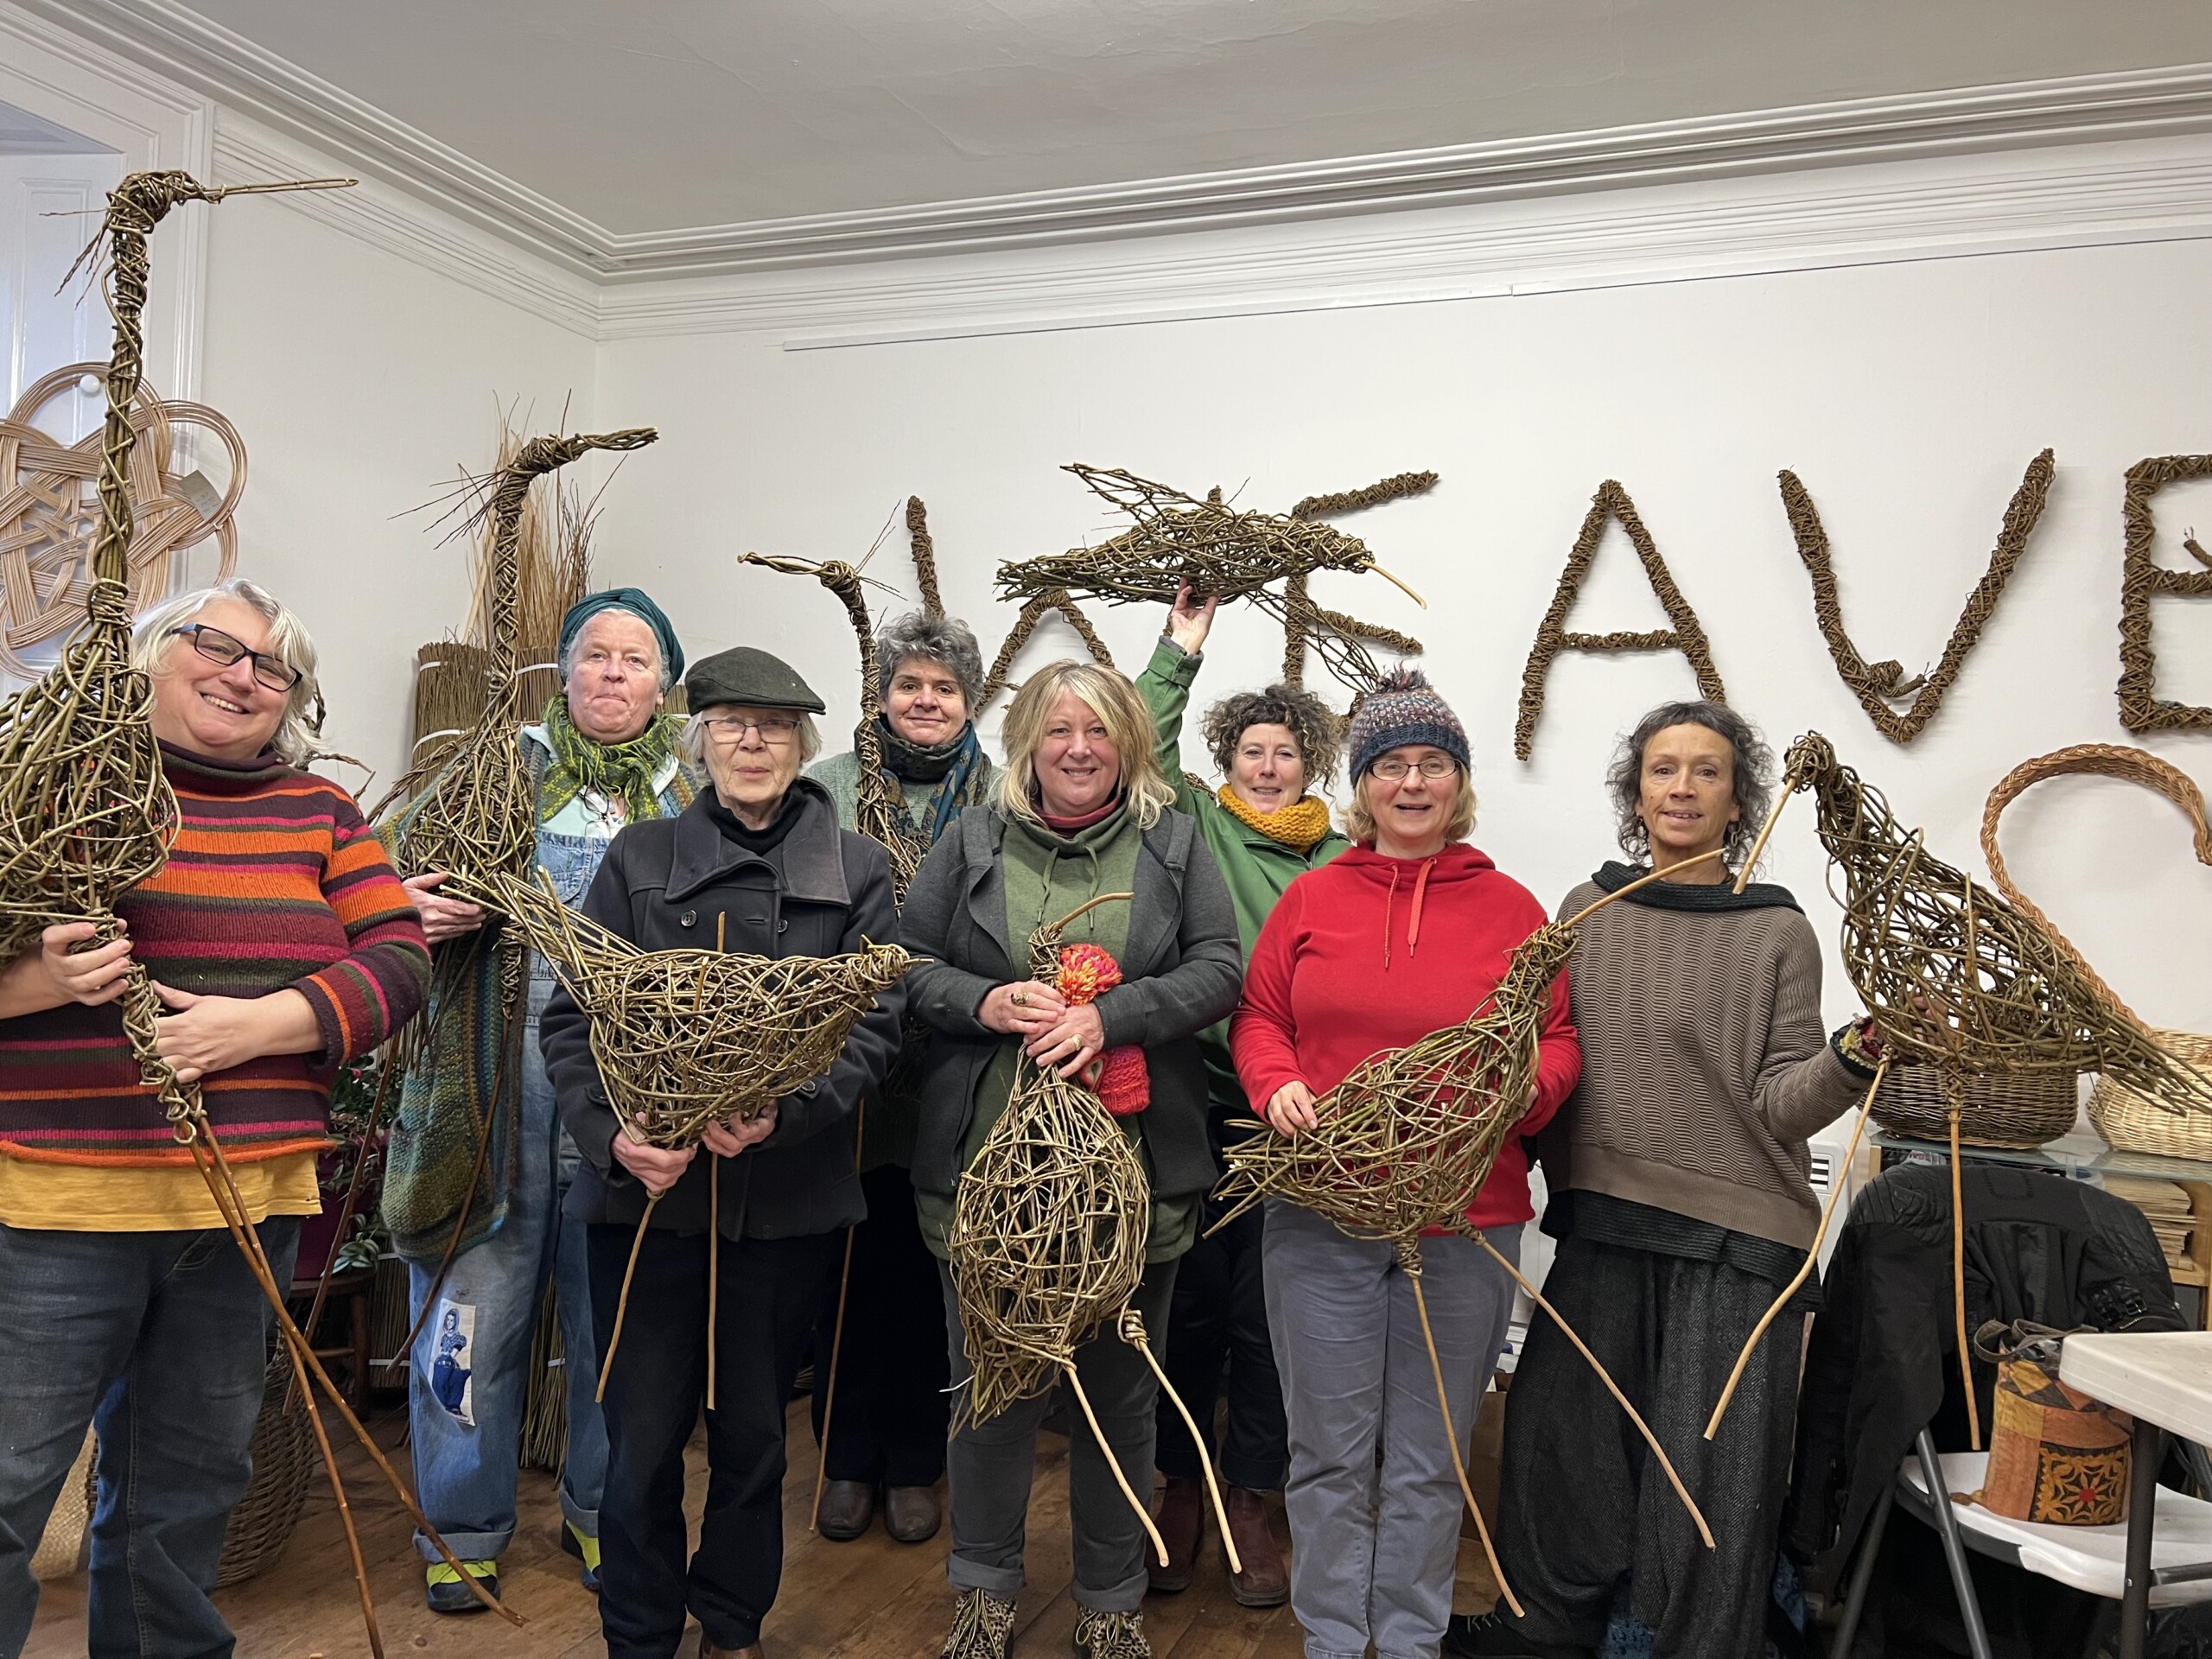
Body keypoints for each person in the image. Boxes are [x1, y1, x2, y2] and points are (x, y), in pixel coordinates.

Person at [0, 578, 429, 1656]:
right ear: (150, 653)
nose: (243, 676)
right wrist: (33, 986)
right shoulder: (47, 789)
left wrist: (261, 1027)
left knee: (187, 1489)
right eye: (217, 646)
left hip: (243, 1211)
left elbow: (398, 959)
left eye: (272, 666)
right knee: (7, 1488)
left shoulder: (320, 815)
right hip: (57, 1207)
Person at [1452, 702, 1878, 1659]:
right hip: (1602, 1218)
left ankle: (1678, 1642)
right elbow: (1543, 1057)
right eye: (1662, 770)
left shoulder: (1777, 933)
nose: (1682, 787)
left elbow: (1780, 1104)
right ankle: (1546, 1629)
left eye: (1707, 772)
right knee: (1560, 1441)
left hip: (1735, 1236)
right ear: (1634, 794)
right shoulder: (1583, 913)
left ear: (1739, 802)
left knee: (1708, 1465)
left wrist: (1858, 1053)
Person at [543, 645, 904, 1659]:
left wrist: (786, 1113)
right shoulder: (640, 858)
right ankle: (641, 1633)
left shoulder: (858, 869)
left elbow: (873, 1029)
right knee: (642, 1442)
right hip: (646, 1209)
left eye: (776, 727)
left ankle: (733, 1624)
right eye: (733, 725)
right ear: (698, 741)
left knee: (753, 1440)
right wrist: (612, 1140)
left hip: (784, 1206)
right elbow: (575, 1021)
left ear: (803, 747)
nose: (754, 742)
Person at [1230, 667, 1580, 1659]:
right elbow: (1259, 1017)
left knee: (1430, 1457)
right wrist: (1275, 1084)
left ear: (1458, 783)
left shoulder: (1513, 909)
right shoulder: (1311, 897)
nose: (1413, 784)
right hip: (1321, 1213)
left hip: (1468, 1217)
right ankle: (1337, 1640)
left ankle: (1412, 1639)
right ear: (1363, 783)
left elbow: (1555, 1041)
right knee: (1328, 1455)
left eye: (1433, 765)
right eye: (1392, 766)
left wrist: (1526, 1095)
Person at [902, 660, 1243, 1659]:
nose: (1079, 749)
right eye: (1057, 731)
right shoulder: (968, 839)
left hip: (1135, 1176)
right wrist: (985, 1002)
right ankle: (984, 1592)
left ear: (1129, 743)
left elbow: (1220, 968)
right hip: (986, 1173)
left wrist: (1113, 1016)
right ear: (1027, 746)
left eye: (1098, 732)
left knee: (1119, 1397)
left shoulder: (1172, 840)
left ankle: (1109, 1598)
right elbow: (908, 965)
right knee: (990, 1392)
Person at [385, 587, 693, 1612]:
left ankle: (604, 1511)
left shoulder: (686, 797)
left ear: (664, 686)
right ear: (563, 672)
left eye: (634, 659)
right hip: (491, 1080)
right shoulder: (497, 768)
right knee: (473, 1306)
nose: (611, 673)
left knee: (618, 1311)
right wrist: (411, 907)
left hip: (626, 1084)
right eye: (593, 654)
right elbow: (379, 880)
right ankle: (460, 1525)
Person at [1134, 582, 1347, 1607]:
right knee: (1188, 1306)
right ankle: (1178, 1486)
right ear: (1226, 761)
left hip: (1303, 1125)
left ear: (1312, 764)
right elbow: (1140, 741)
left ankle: (1250, 1495)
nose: (1268, 767)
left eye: (1286, 753)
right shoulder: (1193, 828)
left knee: (1273, 1319)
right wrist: (1180, 647)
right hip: (1197, 1106)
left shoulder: (1344, 859)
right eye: (1253, 751)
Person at [804, 609, 996, 1547]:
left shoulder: (1001, 798)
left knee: (932, 1274)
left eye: (944, 688)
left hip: (954, 1071)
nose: (926, 701)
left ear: (971, 702)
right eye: (908, 686)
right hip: (842, 1071)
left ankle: (917, 1459)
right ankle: (845, 1459)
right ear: (881, 698)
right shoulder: (826, 789)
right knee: (842, 1268)